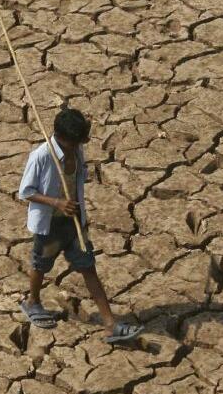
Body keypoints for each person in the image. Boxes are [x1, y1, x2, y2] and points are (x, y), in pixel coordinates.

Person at [17, 108, 143, 343]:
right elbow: (25, 191)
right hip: (51, 224)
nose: (80, 145)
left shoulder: (76, 148)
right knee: (41, 264)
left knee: (88, 266)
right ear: (63, 138)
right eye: (76, 142)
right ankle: (32, 301)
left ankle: (110, 324)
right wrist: (57, 202)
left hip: (74, 222)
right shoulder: (42, 156)